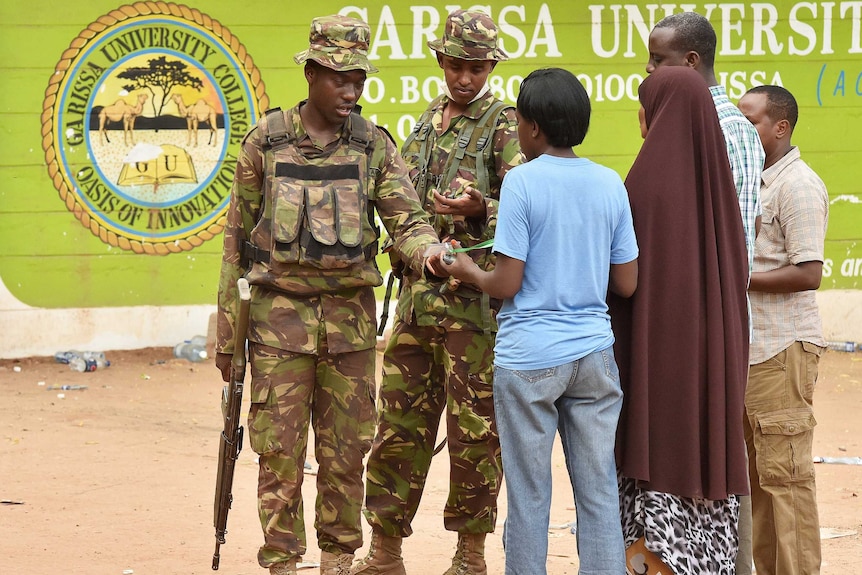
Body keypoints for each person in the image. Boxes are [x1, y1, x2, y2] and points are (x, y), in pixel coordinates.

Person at [214, 15, 439, 575]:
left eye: (358, 78)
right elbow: (235, 243)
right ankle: (283, 564)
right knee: (279, 456)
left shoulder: (373, 146)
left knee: (345, 456)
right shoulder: (264, 144)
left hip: (351, 331)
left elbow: (406, 220)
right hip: (276, 330)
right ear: (311, 72)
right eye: (339, 77)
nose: (351, 91)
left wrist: (430, 252)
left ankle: (339, 560)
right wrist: (225, 335)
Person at [431, 67, 638, 575]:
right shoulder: (609, 182)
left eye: (520, 121)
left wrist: (464, 268)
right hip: (594, 355)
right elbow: (627, 283)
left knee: (528, 495)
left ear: (533, 130)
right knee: (597, 490)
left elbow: (506, 284)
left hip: (529, 359)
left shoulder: (522, 181)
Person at [352, 10, 522, 575]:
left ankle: (470, 556)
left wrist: (483, 209)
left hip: (475, 312)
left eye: (475, 67)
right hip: (417, 305)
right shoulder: (427, 123)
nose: (464, 78)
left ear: (491, 66)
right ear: (440, 62)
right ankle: (385, 551)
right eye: (455, 65)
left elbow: (533, 208)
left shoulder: (505, 126)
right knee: (397, 428)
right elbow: (401, 208)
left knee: (474, 435)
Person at [608, 66, 750, 575]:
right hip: (713, 360)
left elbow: (622, 281)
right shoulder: (721, 187)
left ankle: (654, 556)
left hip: (658, 361)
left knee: (659, 452)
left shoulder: (644, 183)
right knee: (704, 445)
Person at [645, 14, 765, 572]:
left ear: (691, 64)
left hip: (707, 313)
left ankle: (722, 562)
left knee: (712, 440)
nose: (649, 71)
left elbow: (729, 240)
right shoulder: (679, 120)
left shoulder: (729, 130)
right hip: (687, 311)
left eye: (659, 61)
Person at [737, 85, 829, 575]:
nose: (741, 130)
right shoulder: (756, 182)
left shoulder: (798, 185)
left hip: (782, 350)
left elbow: (809, 272)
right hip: (752, 353)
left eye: (750, 121)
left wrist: (736, 278)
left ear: (781, 126)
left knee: (786, 482)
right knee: (757, 482)